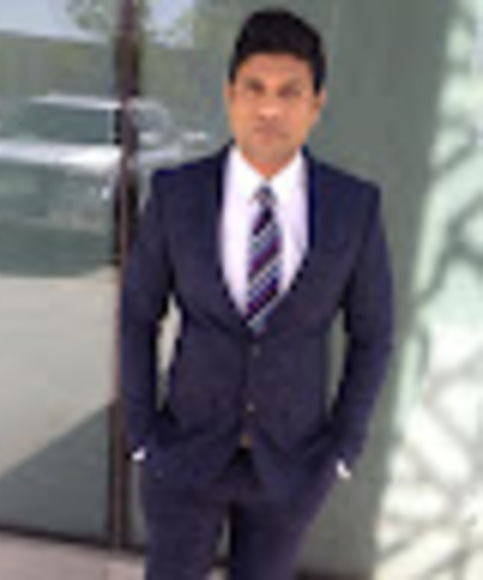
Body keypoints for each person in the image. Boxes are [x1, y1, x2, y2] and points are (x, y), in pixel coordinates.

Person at [121, 7, 394, 580]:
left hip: (293, 467)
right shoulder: (176, 195)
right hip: (184, 456)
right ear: (230, 95)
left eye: (289, 92)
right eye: (255, 88)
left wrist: (342, 448)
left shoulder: (354, 208)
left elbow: (372, 334)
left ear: (316, 104)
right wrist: (143, 433)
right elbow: (138, 315)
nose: (269, 108)